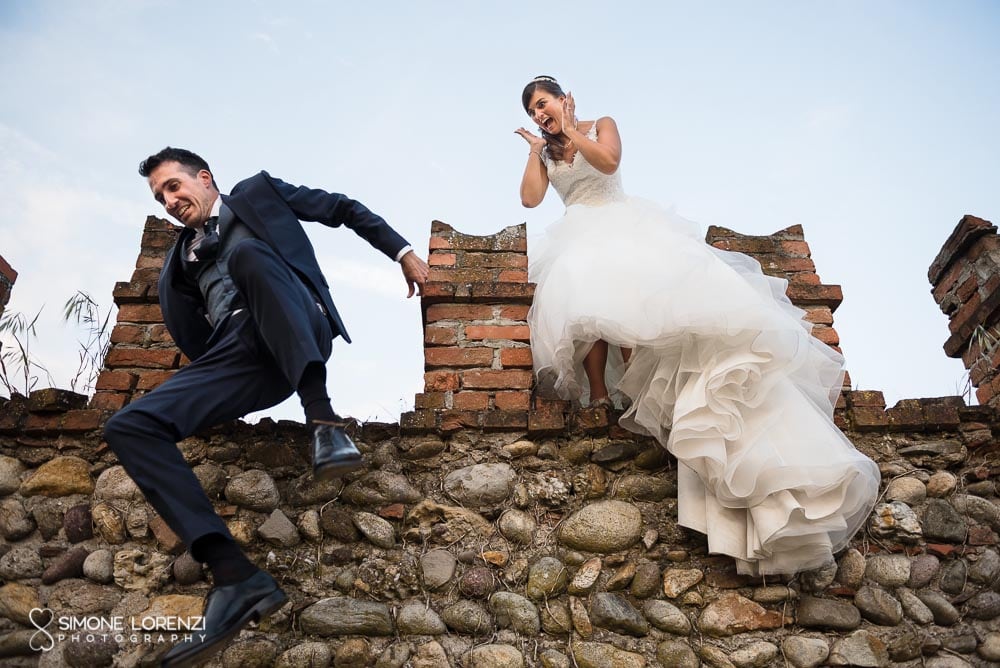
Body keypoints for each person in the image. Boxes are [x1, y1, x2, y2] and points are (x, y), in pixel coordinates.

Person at [515, 76, 880, 576]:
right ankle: (600, 395)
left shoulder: (600, 124)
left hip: (623, 224)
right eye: (533, 111)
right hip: (579, 232)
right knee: (584, 296)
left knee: (629, 300)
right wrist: (535, 151)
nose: (540, 114)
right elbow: (530, 200)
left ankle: (638, 388)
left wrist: (574, 130)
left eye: (544, 103)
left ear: (562, 99)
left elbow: (609, 162)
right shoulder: (545, 152)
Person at [103, 147, 429, 666]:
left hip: (295, 322)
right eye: (159, 196)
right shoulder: (178, 261)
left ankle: (323, 421)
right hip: (238, 355)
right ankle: (234, 576)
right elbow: (190, 328)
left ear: (204, 178)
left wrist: (402, 252)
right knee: (128, 425)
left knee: (249, 256)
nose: (168, 200)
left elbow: (341, 208)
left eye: (173, 186)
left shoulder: (257, 193)